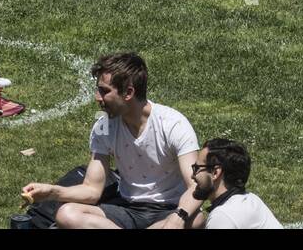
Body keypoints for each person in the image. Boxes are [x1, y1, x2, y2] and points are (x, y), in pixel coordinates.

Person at [19, 52, 202, 229]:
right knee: (67, 214)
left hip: (170, 210)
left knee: (198, 220)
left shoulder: (173, 124)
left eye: (104, 91)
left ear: (128, 93)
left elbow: (197, 185)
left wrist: (176, 221)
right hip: (128, 209)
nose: (97, 98)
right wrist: (52, 192)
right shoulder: (104, 125)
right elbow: (92, 189)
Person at [193, 138, 282, 230]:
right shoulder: (252, 200)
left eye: (196, 168)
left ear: (215, 173)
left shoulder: (222, 216)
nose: (193, 176)